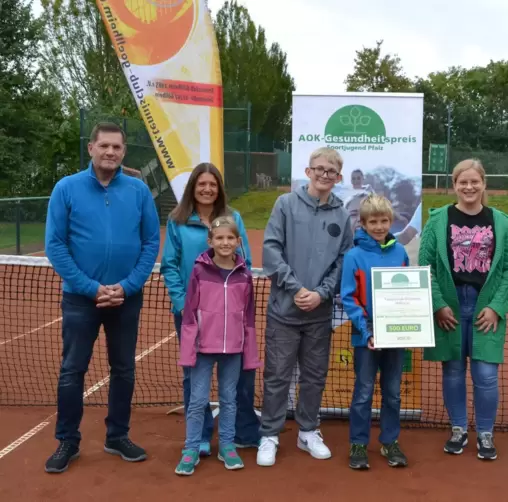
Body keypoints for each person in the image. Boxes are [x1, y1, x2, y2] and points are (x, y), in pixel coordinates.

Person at [43, 122, 161, 473]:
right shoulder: (66, 188)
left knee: (123, 369)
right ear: (91, 148)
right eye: (104, 146)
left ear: (124, 152)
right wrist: (91, 288)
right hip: (81, 299)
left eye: (117, 147)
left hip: (127, 298)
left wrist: (127, 286)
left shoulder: (139, 192)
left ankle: (117, 436)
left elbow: (151, 242)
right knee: (72, 371)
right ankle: (67, 441)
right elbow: (55, 245)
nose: (111, 152)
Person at [257, 147, 353, 467]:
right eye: (320, 169)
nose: (325, 175)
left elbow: (343, 261)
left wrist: (321, 293)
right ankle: (269, 434)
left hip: (320, 313)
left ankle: (307, 431)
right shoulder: (285, 204)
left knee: (314, 376)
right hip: (284, 310)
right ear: (308, 171)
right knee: (277, 375)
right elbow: (271, 251)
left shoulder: (342, 214)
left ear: (338, 178)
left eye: (331, 171)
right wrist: (297, 289)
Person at [418, 159, 508, 461]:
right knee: (453, 371)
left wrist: (496, 308)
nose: (469, 187)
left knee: (486, 374)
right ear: (455, 185)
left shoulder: (500, 221)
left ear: (483, 184)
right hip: (449, 306)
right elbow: (427, 267)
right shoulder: (438, 220)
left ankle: (485, 433)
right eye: (463, 182)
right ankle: (459, 429)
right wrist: (437, 305)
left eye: (475, 182)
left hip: (484, 306)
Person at [161, 163, 258, 457]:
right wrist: (183, 306)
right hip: (193, 316)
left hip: (229, 315)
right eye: (201, 184)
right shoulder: (178, 220)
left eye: (212, 184)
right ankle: (201, 436)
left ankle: (240, 433)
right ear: (193, 187)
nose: (207, 189)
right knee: (195, 378)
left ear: (219, 188)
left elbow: (246, 264)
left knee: (239, 376)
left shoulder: (233, 218)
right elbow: (170, 266)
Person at [174, 216, 261, 475]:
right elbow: (189, 313)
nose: (225, 242)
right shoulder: (199, 271)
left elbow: (248, 315)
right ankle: (190, 449)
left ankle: (226, 445)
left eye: (230, 238)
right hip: (202, 348)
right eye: (219, 238)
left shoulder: (244, 275)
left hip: (233, 349)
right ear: (210, 241)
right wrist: (189, 347)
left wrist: (249, 350)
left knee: (229, 399)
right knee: (198, 399)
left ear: (238, 241)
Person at [340, 194, 410, 470]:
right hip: (365, 338)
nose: (379, 226)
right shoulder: (353, 256)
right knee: (363, 392)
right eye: (373, 222)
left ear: (391, 221)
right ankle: (358, 443)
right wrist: (366, 329)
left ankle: (389, 441)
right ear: (364, 223)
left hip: (396, 337)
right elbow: (348, 297)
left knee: (393, 393)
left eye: (384, 221)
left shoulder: (400, 252)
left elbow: (407, 294)